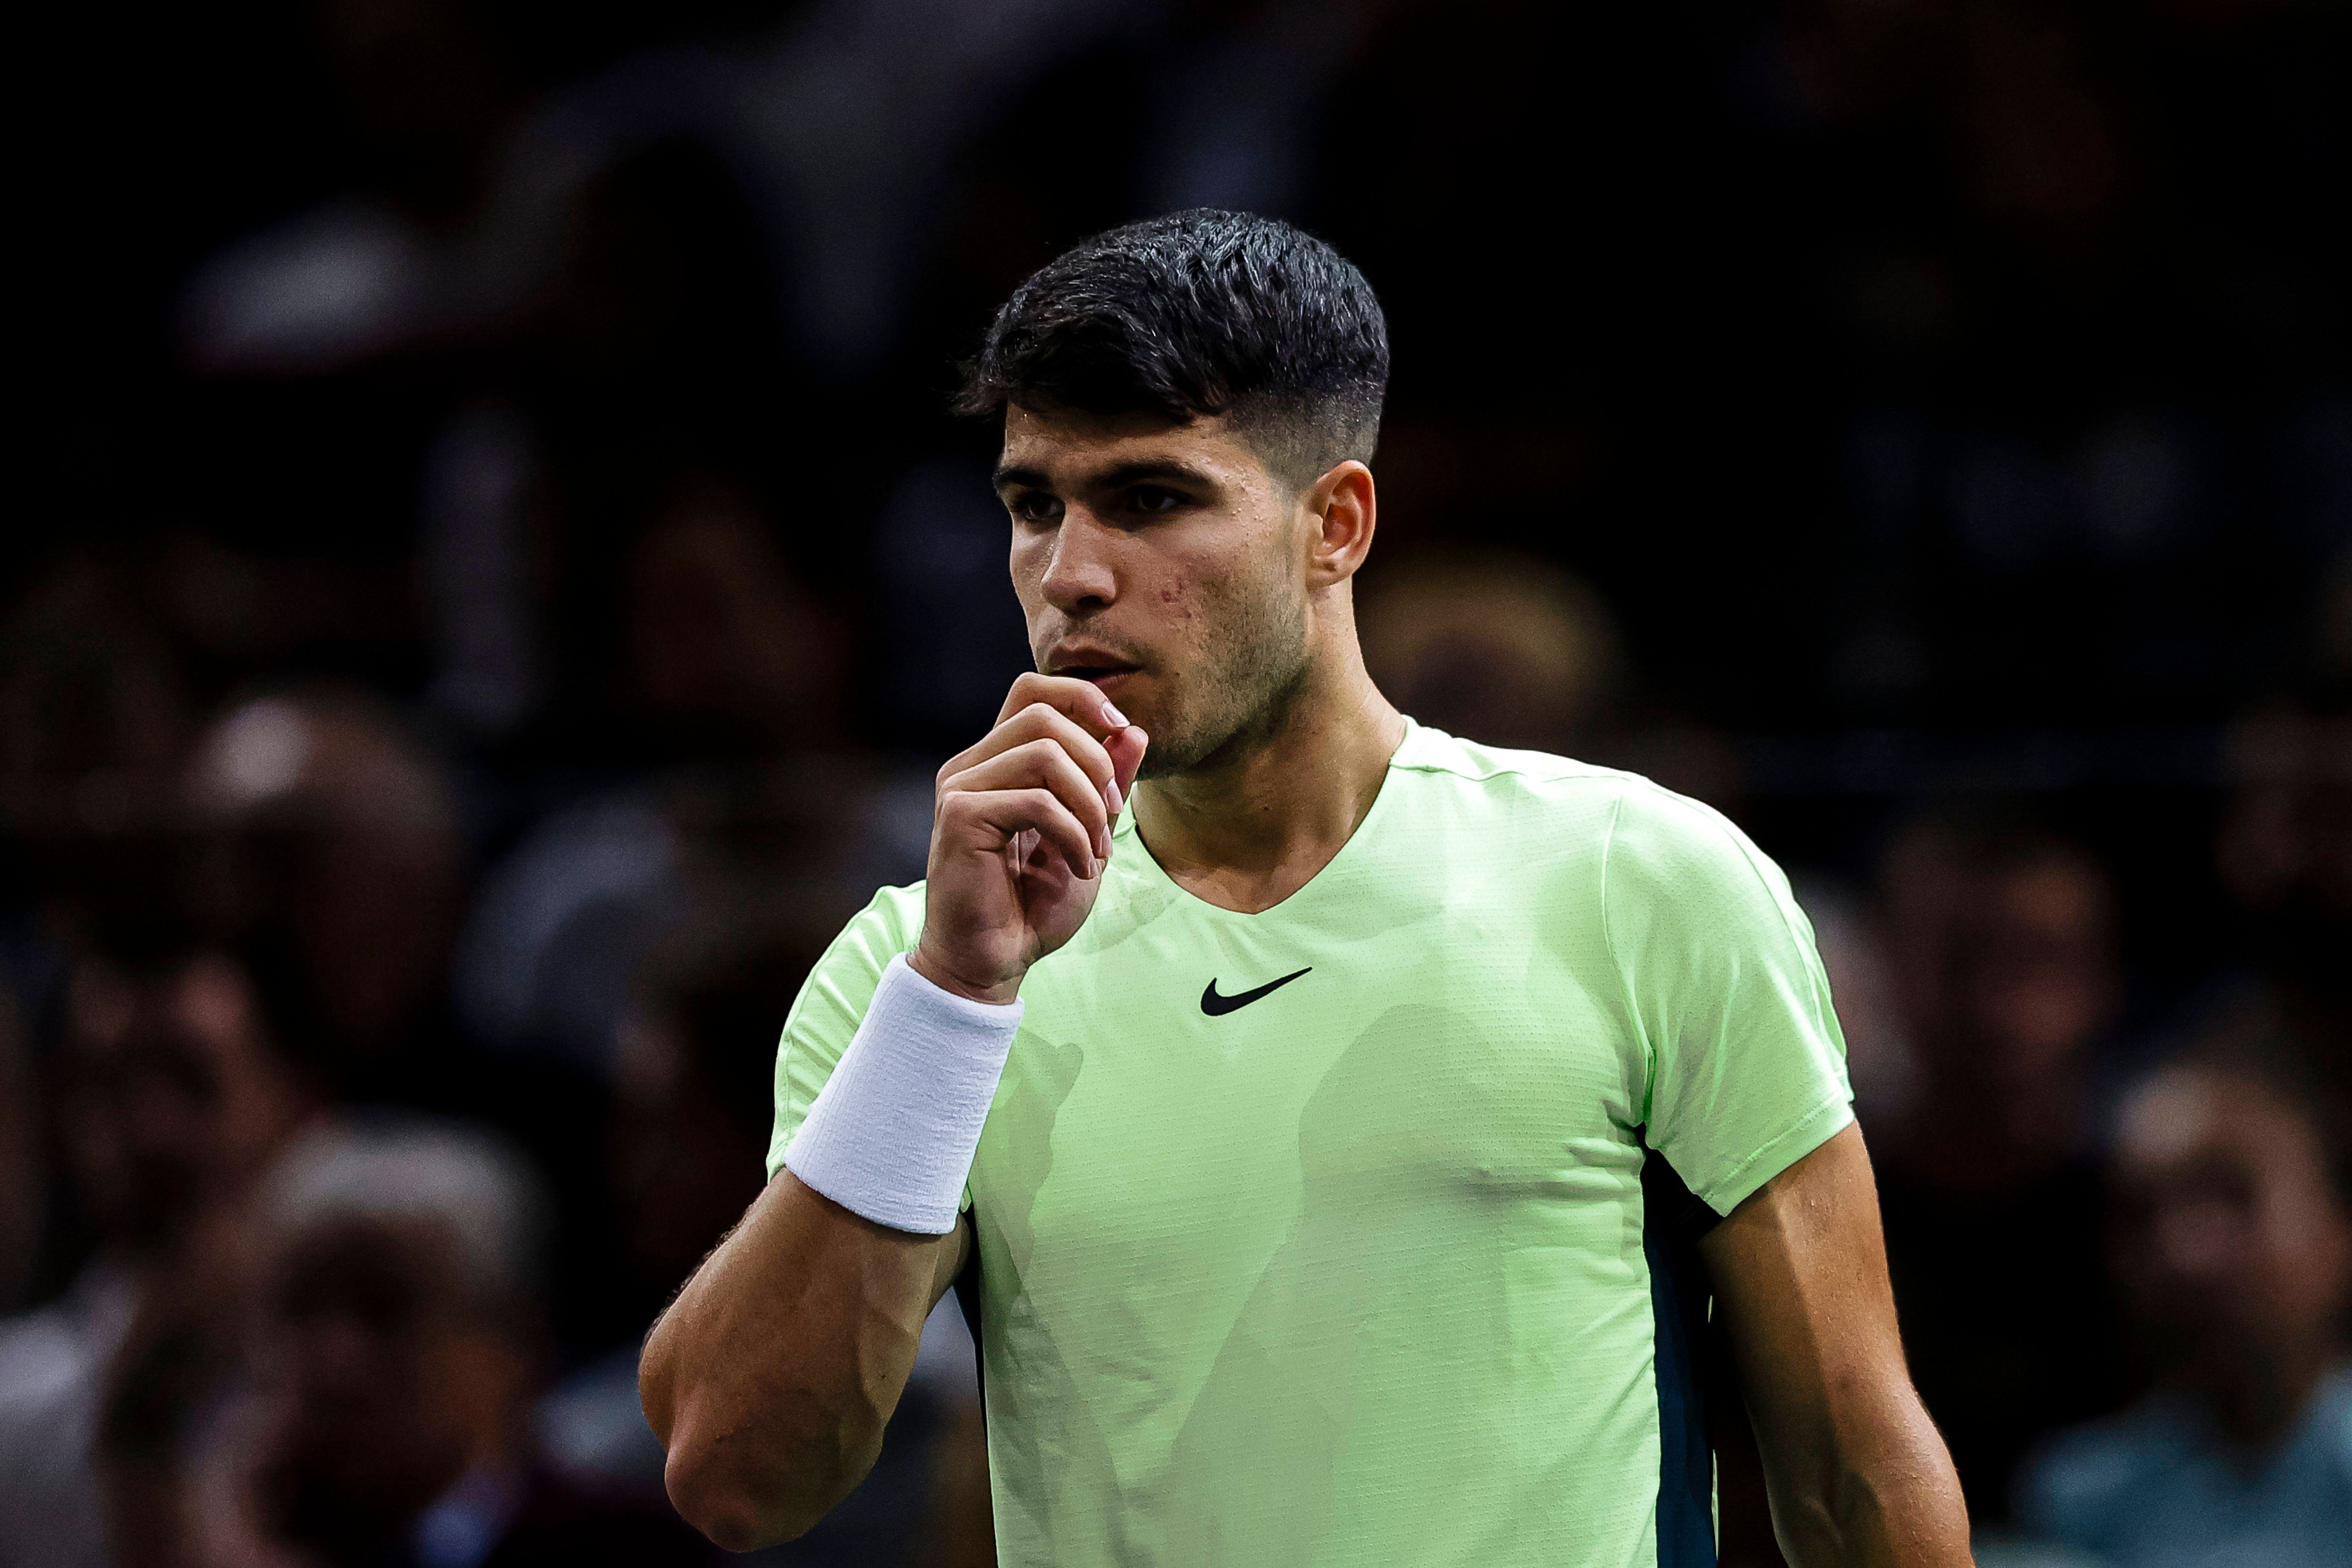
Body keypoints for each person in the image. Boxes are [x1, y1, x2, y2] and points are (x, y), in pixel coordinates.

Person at [641, 209, 1971, 1566]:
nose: (1071, 575)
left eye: (1151, 498)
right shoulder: (917, 973)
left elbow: (1855, 1465)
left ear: (1335, 523)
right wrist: (959, 994)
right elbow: (739, 1476)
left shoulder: (1647, 883)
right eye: (1035, 505)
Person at [193, 1120, 718, 1568]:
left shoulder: (636, 1552)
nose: (337, 1359)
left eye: (386, 1309)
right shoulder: (220, 1533)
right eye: (302, 1310)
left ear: (513, 1345)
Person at [1868, 810, 2134, 1520]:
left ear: (2104, 979)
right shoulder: (1810, 1219)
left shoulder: (2156, 1223)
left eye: (2038, 959)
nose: (1996, 1006)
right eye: (1961, 958)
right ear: (1893, 969)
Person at [2016, 1048, 2352, 1567]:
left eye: (2230, 1196)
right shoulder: (2078, 1501)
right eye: (2142, 1212)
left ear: (2336, 1229)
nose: (2182, 1252)